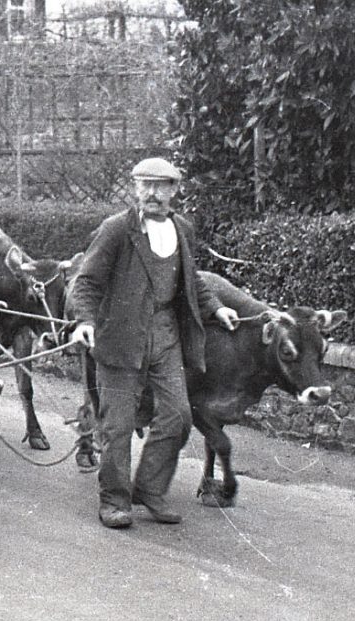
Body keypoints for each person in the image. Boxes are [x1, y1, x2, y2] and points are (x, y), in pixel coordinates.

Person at [69, 157, 239, 529]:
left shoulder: (182, 230)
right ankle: (114, 500)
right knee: (118, 426)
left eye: (161, 186)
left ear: (175, 190)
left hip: (165, 336)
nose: (152, 193)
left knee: (179, 415)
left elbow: (191, 281)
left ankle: (149, 488)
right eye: (144, 184)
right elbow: (86, 283)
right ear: (134, 188)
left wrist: (217, 310)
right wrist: (84, 322)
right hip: (119, 338)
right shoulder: (116, 230)